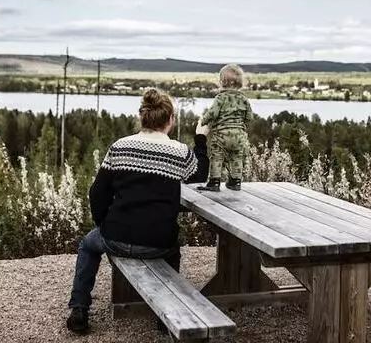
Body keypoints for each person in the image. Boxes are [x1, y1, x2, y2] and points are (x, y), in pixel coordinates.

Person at [66, 88, 209, 334]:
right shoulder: (180, 153)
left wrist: (104, 225)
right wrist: (201, 139)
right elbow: (200, 175)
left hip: (115, 237)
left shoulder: (120, 147)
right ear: (170, 120)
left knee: (88, 245)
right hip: (158, 243)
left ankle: (79, 308)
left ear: (141, 117)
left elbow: (96, 193)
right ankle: (166, 315)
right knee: (174, 251)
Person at [198, 63, 253, 192]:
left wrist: (203, 121)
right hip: (239, 135)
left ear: (222, 82)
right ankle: (235, 181)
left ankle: (214, 182)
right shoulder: (244, 99)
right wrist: (241, 125)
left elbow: (213, 113)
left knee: (217, 156)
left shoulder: (220, 98)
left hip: (221, 135)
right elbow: (249, 117)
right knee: (237, 157)